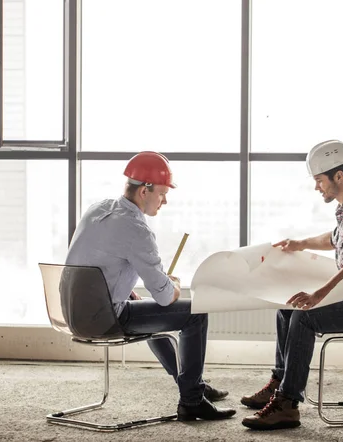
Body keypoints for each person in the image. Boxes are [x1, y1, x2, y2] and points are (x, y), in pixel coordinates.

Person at [65, 151, 236, 421]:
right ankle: (192, 399)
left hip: (72, 314)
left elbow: (97, 261)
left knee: (147, 307)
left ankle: (189, 383)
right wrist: (174, 284)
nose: (165, 201)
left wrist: (124, 289)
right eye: (162, 194)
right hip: (103, 320)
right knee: (195, 312)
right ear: (145, 190)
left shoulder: (98, 208)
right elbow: (166, 296)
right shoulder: (135, 228)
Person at [241, 140, 343, 430]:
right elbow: (335, 238)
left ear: (338, 176)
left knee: (304, 315)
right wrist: (299, 243)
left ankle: (287, 404)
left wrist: (317, 295)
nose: (317, 187)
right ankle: (280, 381)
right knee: (288, 309)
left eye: (319, 180)